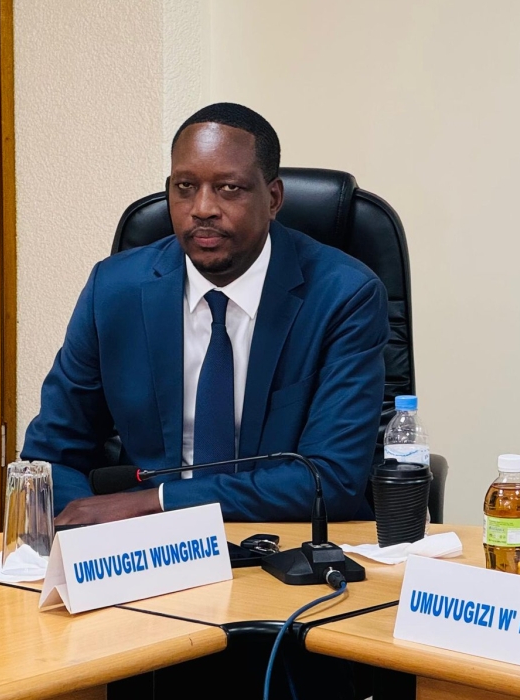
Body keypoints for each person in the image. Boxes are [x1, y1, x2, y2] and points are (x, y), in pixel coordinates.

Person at [22, 102, 389, 525]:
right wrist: (86, 532)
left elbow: (331, 479)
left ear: (273, 199)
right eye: (185, 187)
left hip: (285, 542)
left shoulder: (344, 296)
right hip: (149, 550)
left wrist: (158, 501)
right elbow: (50, 457)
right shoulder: (113, 290)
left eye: (228, 188)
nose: (202, 208)